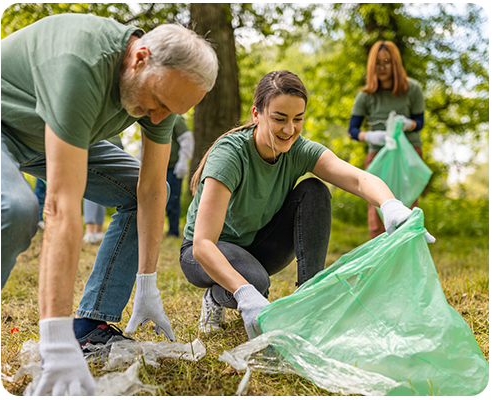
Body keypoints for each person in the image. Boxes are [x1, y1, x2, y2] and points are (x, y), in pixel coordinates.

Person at [1, 13, 218, 396]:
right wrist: (53, 340)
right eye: (159, 103)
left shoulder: (160, 91)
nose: (158, 118)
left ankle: (90, 326)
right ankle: (64, 339)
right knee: (17, 209)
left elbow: (150, 188)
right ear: (140, 57)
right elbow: (62, 208)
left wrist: (146, 282)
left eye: (172, 111)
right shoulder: (80, 64)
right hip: (5, 121)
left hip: (44, 134)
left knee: (148, 192)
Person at [179, 70, 434, 341]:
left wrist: (391, 205)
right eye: (279, 119)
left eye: (297, 119)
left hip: (258, 245)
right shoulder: (230, 155)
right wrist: (245, 293)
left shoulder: (298, 149)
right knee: (256, 283)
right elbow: (203, 244)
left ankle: (309, 299)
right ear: (257, 114)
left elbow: (358, 179)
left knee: (314, 190)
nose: (289, 130)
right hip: (203, 252)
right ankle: (217, 297)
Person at [348, 40, 426, 238]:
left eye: (386, 62)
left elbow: (420, 121)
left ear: (395, 64)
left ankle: (407, 253)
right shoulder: (366, 95)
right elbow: (352, 130)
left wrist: (408, 124)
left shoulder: (412, 89)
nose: (382, 68)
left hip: (407, 154)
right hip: (378, 155)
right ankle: (381, 256)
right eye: (377, 63)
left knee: (407, 206)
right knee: (377, 207)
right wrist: (371, 136)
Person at [82, 135, 124, 244]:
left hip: (98, 141)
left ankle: (89, 231)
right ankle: (98, 230)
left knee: (90, 186)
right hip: (116, 145)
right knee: (102, 188)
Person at [166, 115, 194, 237]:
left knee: (173, 199)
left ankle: (173, 230)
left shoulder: (176, 118)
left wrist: (182, 162)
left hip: (173, 167)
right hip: (159, 167)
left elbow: (187, 139)